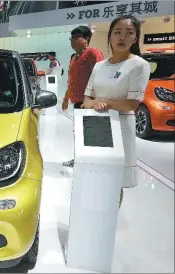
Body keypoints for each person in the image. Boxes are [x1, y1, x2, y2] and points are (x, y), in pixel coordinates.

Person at [83, 15, 150, 206]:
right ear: (110, 36)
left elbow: (132, 104)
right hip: (96, 124)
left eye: (129, 33)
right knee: (94, 174)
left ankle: (109, 220)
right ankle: (94, 216)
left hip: (120, 127)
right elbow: (87, 100)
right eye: (117, 32)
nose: (122, 37)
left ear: (135, 38)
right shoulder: (99, 66)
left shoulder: (139, 65)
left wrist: (104, 103)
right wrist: (97, 104)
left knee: (115, 180)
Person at [61, 25, 104, 167]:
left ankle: (90, 161)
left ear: (86, 39)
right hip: (77, 102)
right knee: (78, 132)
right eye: (71, 38)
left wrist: (95, 100)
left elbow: (100, 78)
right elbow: (70, 78)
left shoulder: (93, 53)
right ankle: (80, 159)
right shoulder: (73, 57)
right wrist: (66, 98)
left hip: (89, 102)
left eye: (76, 38)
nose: (72, 41)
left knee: (89, 133)